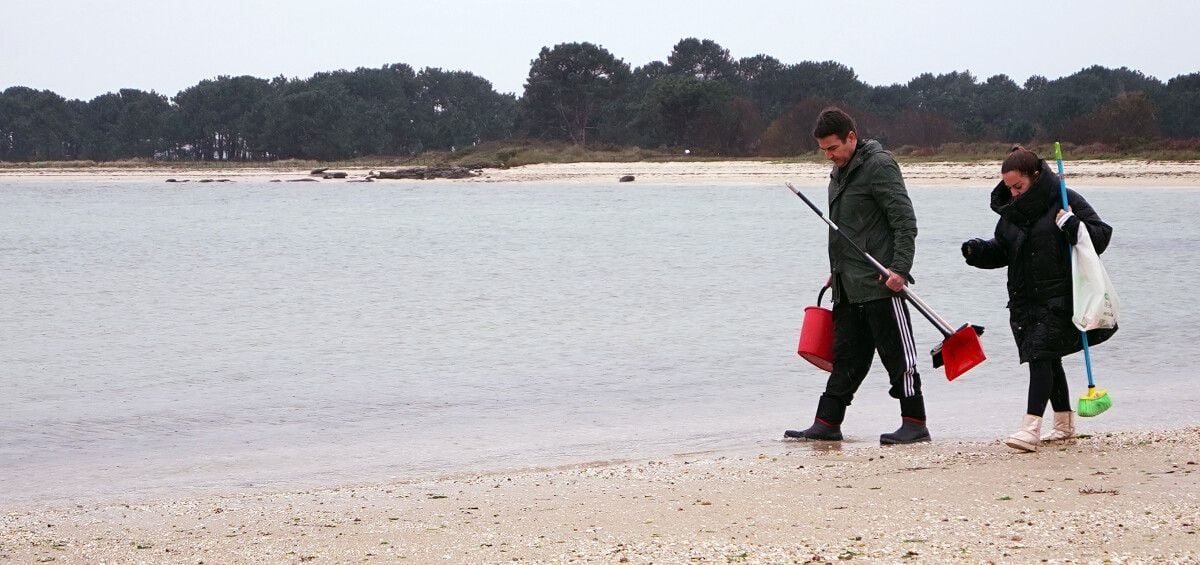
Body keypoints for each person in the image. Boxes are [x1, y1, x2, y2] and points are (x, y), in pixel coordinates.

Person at [785, 107, 929, 445]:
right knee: (846, 358)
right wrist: (836, 272)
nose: (829, 156)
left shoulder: (880, 166)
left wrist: (901, 269)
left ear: (852, 137)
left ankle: (915, 423)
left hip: (882, 284)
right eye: (823, 151)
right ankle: (827, 422)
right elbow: (847, 230)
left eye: (833, 148)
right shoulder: (838, 172)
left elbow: (905, 223)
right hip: (847, 287)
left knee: (899, 358)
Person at [961, 146, 1116, 452]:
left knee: (1040, 356)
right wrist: (978, 251)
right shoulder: (1012, 212)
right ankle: (1064, 424)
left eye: (1018, 186)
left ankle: (1030, 427)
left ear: (1035, 176)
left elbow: (1101, 236)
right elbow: (1005, 250)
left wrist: (1074, 226)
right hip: (1023, 299)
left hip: (1060, 298)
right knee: (1047, 357)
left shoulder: (1064, 198)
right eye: (1009, 188)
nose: (1014, 194)